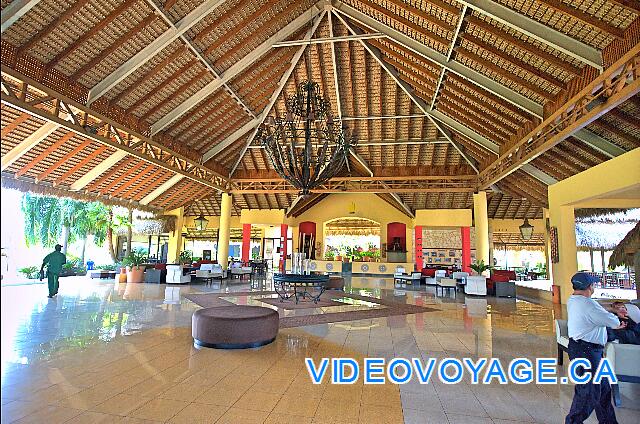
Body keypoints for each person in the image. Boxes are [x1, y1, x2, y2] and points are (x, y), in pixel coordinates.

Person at [565, 272, 625, 424]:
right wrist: (618, 320)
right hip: (587, 353)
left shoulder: (574, 300)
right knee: (588, 393)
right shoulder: (588, 305)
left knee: (603, 390)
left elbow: (598, 309)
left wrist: (612, 310)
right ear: (589, 287)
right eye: (593, 285)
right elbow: (613, 322)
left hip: (584, 349)